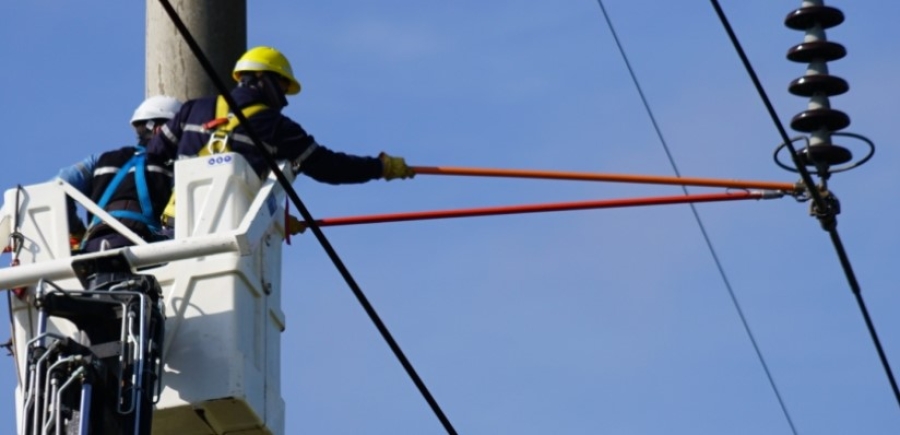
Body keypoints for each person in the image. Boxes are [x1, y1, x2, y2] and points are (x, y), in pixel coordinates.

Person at [147, 46, 415, 228]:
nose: (285, 98)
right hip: (231, 230)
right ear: (262, 79)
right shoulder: (277, 127)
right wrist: (380, 167)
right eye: (283, 86)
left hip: (176, 225)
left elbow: (153, 158)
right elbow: (330, 167)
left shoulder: (192, 109)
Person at [57, 95, 183, 252]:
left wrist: (76, 231)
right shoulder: (173, 167)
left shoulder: (99, 160)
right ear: (159, 129)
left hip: (93, 248)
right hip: (141, 250)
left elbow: (59, 184)